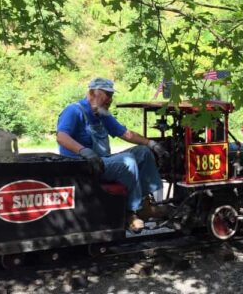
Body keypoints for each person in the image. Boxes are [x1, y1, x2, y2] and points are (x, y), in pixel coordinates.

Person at [56, 78, 170, 233]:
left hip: (102, 161)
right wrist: (83, 151)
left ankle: (149, 204)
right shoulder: (74, 110)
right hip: (81, 164)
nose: (110, 99)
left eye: (111, 95)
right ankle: (131, 213)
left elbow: (125, 134)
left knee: (143, 153)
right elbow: (61, 137)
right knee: (127, 161)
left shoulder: (101, 114)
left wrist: (151, 144)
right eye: (107, 95)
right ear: (91, 93)